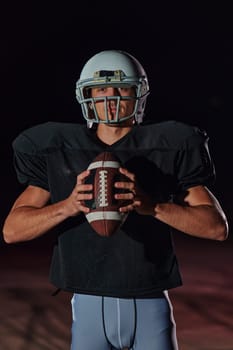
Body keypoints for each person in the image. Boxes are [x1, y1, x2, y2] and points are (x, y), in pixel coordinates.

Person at [3, 49, 228, 350]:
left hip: (149, 298)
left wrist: (152, 206)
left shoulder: (168, 147)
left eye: (123, 88)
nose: (111, 97)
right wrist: (68, 205)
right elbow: (12, 231)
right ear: (86, 94)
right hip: (88, 303)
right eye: (101, 89)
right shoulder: (59, 149)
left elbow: (216, 227)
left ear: (139, 94)